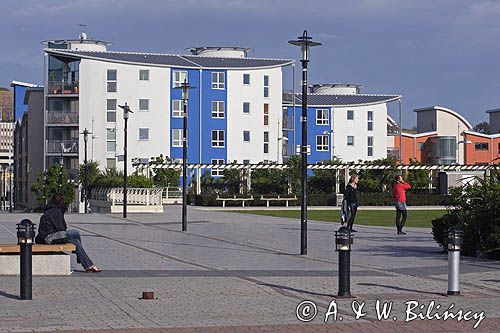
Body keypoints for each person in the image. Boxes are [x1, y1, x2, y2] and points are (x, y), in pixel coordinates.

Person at [35, 192, 101, 273]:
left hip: (48, 237)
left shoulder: (49, 210)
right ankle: (80, 258)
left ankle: (89, 266)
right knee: (75, 232)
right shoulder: (56, 211)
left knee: (76, 242)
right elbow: (62, 228)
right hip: (50, 238)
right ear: (61, 202)